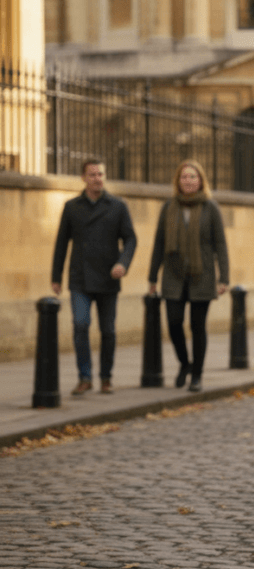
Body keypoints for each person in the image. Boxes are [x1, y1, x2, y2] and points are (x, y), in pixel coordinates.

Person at [51, 158, 137, 395]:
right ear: (83, 178)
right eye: (92, 174)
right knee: (80, 325)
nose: (97, 178)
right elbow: (61, 243)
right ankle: (85, 377)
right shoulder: (72, 207)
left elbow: (130, 238)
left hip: (109, 277)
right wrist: (56, 276)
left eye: (100, 174)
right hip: (80, 277)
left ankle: (106, 377)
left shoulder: (118, 206)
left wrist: (123, 263)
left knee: (108, 331)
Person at [148, 160, 229, 392]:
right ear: (178, 181)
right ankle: (185, 363)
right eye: (185, 177)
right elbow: (159, 243)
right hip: (173, 275)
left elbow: (220, 244)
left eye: (193, 177)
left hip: (201, 275)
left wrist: (224, 277)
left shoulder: (210, 207)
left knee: (197, 327)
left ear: (200, 180)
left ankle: (197, 375)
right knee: (174, 323)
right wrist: (152, 277)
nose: (189, 181)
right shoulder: (168, 207)